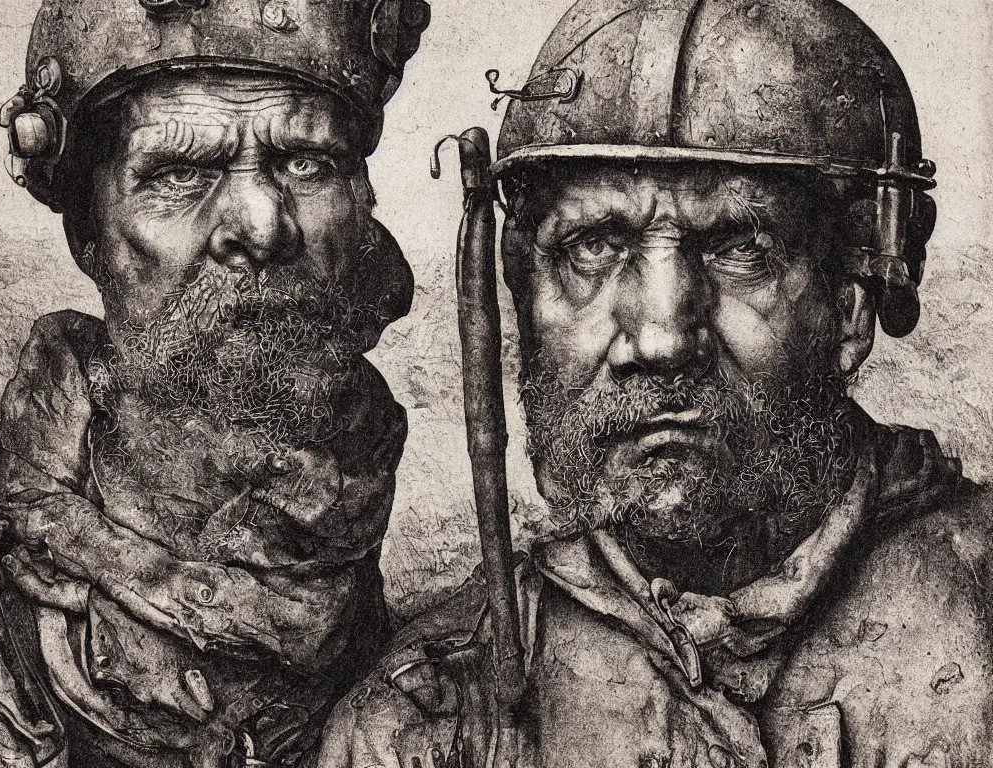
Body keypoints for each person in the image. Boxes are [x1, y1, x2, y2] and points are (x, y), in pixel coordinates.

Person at [316, 0, 993, 766]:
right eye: (594, 246)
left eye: (740, 247)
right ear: (522, 294)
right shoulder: (425, 730)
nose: (664, 337)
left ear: (851, 305)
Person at [0, 0, 429, 765]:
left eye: (306, 162)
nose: (261, 224)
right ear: (89, 237)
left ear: (364, 205)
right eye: (180, 171)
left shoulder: (438, 687)